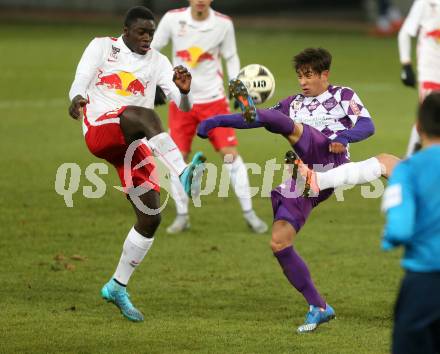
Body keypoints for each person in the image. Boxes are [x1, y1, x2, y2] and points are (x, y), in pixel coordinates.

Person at [198, 47, 400, 332]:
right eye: (299, 76)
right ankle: (318, 306)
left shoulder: (343, 96)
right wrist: (217, 122)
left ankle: (250, 106)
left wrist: (343, 136)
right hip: (304, 176)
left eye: (308, 76)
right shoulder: (293, 102)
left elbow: (367, 126)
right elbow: (259, 119)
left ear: (324, 75)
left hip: (332, 161)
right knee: (279, 241)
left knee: (286, 124)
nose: (303, 82)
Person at [68, 6, 206, 322]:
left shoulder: (158, 61)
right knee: (145, 115)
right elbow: (80, 79)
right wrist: (76, 98)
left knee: (150, 217)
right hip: (101, 128)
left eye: (151, 33)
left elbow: (182, 104)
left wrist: (185, 93)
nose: (147, 38)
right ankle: (183, 172)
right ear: (126, 30)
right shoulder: (102, 46)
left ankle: (117, 286)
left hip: (133, 144)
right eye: (142, 32)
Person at [150, 0, 267, 234]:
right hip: (181, 101)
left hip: (214, 101)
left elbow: (231, 57)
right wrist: (155, 82)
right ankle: (182, 217)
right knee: (177, 158)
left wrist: (237, 86)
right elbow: (152, 49)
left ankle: (249, 214)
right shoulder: (173, 19)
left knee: (230, 156)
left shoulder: (223, 24)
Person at [382, 92, 440, 354]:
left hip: (426, 283)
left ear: (419, 126)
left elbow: (399, 230)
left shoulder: (407, 170)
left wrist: (388, 239)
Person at [398, 0, 440, 157]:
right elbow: (405, 32)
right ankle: (409, 160)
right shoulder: (426, 3)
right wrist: (406, 64)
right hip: (431, 70)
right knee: (426, 114)